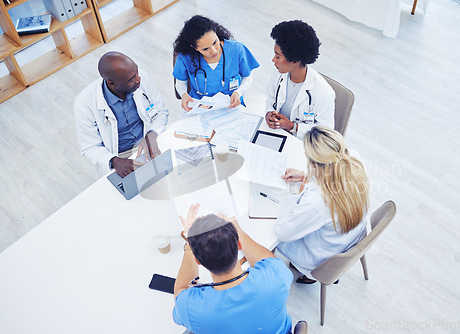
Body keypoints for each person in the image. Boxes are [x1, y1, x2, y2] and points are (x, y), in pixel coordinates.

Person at [173, 204, 293, 334]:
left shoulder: (189, 307)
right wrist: (238, 231)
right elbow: (268, 259)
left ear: (197, 261)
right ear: (239, 244)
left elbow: (181, 290)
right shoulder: (276, 276)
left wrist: (190, 245)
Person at [275, 126, 368, 284]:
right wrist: (307, 175)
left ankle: (297, 273)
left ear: (314, 162)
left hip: (323, 259)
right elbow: (334, 176)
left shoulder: (318, 201)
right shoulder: (353, 158)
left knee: (273, 238)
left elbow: (282, 232)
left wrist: (297, 194)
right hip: (350, 238)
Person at [74, 51, 169, 178]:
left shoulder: (140, 78)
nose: (138, 79)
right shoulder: (84, 104)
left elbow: (161, 112)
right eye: (131, 80)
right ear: (111, 84)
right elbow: (89, 147)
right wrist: (115, 161)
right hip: (119, 157)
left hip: (148, 142)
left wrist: (152, 133)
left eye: (137, 73)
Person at [173, 15, 260, 111]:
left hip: (231, 105)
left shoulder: (237, 50)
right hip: (201, 108)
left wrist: (238, 92)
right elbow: (180, 82)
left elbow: (247, 77)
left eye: (215, 42)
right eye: (205, 49)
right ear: (195, 48)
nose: (214, 51)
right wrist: (184, 94)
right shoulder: (186, 57)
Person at [265, 20, 335, 140]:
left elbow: (325, 134)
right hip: (277, 135)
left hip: (304, 145)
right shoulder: (278, 74)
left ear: (294, 60)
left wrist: (293, 126)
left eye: (277, 56)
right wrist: (269, 113)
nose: (273, 60)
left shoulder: (323, 93)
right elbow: (271, 99)